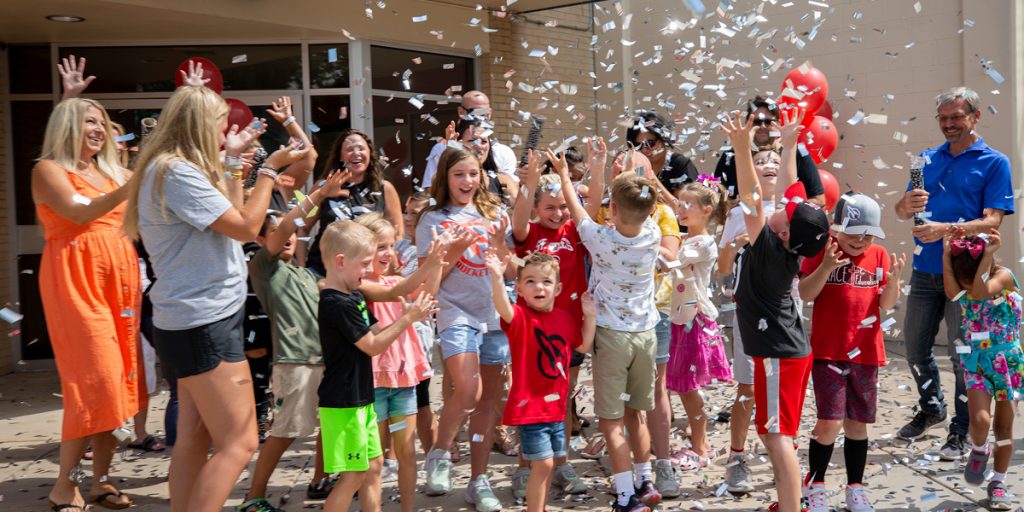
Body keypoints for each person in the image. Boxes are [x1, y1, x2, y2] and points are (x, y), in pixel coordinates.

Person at [124, 82, 310, 512]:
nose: (226, 132)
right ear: (198, 125)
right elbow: (247, 228)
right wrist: (266, 171)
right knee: (241, 441)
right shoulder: (177, 173)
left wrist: (231, 163)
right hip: (203, 321)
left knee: (194, 435)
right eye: (221, 126)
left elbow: (228, 216)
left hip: (189, 319)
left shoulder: (168, 169)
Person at [892, 87, 1015, 460]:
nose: (949, 124)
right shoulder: (926, 160)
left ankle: (961, 430)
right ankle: (932, 408)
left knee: (964, 357)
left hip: (968, 277)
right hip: (925, 270)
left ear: (975, 117)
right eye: (943, 118)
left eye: (956, 117)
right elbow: (903, 213)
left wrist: (945, 229)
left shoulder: (995, 162)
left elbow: (993, 221)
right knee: (914, 349)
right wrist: (903, 204)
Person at [33, 92, 141, 510]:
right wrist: (132, 183)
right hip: (76, 281)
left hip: (119, 281)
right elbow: (79, 214)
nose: (97, 129)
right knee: (94, 379)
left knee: (118, 381)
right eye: (87, 122)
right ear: (66, 128)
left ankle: (100, 481)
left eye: (100, 122)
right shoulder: (47, 170)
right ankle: (65, 484)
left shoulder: (109, 171)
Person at [719, 110, 829, 512]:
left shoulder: (766, 246)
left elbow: (750, 194)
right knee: (780, 430)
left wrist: (741, 147)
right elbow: (786, 191)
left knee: (776, 435)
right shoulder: (786, 242)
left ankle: (791, 506)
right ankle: (790, 501)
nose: (785, 203)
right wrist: (786, 145)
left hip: (779, 355)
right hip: (789, 352)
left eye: (789, 209)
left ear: (785, 231)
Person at [552, 146, 661, 512]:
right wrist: (630, 173)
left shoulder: (601, 239)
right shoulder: (653, 237)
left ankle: (626, 495)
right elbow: (643, 202)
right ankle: (646, 480)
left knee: (611, 421)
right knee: (637, 414)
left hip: (612, 336)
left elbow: (576, 206)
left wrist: (566, 175)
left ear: (611, 209)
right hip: (645, 334)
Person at [236, 170, 346, 512]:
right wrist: (319, 194)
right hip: (293, 362)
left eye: (290, 233)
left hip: (323, 360)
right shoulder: (263, 267)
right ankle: (254, 496)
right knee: (284, 432)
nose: (286, 236)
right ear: (260, 239)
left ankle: (319, 481)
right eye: (275, 232)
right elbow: (288, 226)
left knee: (328, 427)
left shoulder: (304, 273)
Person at [315, 220, 436, 512]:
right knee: (354, 475)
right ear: (341, 261)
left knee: (374, 465)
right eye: (364, 263)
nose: (368, 270)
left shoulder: (352, 295)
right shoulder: (336, 303)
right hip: (344, 403)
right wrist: (408, 319)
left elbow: (377, 332)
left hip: (361, 398)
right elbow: (372, 345)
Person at [419, 147, 514, 512]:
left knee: (488, 402)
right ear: (445, 177)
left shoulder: (494, 213)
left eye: (473, 173)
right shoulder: (432, 219)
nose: (468, 181)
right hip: (455, 312)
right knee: (469, 391)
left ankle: (479, 480)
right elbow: (430, 279)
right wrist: (455, 250)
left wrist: (499, 244)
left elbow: (507, 271)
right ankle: (439, 453)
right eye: (459, 174)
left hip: (492, 315)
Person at [798, 193, 905, 512]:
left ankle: (855, 488)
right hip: (829, 352)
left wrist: (895, 282)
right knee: (829, 423)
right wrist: (828, 265)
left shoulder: (880, 254)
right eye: (853, 233)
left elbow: (885, 304)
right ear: (835, 228)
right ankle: (815, 485)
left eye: (867, 234)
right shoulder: (824, 250)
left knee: (857, 424)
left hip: (867, 354)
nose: (860, 240)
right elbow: (804, 294)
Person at [507, 149, 594, 499]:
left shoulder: (576, 229)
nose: (557, 214)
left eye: (562, 207)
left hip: (568, 329)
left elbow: (593, 199)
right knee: (530, 396)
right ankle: (524, 466)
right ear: (536, 209)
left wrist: (574, 177)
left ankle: (561, 462)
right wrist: (529, 181)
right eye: (549, 208)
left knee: (564, 398)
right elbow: (517, 221)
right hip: (530, 333)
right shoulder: (528, 234)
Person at [486, 251, 596, 512]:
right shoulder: (520, 317)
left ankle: (539, 507)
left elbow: (584, 343)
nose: (539, 287)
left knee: (547, 466)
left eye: (546, 282)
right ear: (521, 289)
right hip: (530, 408)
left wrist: (590, 314)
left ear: (557, 288)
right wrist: (495, 277)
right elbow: (502, 305)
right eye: (531, 281)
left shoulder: (565, 318)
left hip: (557, 410)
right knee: (543, 464)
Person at [354, 212, 448, 512]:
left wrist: (435, 264)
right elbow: (399, 292)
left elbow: (426, 293)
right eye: (380, 246)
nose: (388, 253)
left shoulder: (395, 279)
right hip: (373, 382)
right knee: (375, 458)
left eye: (391, 246)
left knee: (407, 452)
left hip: (403, 381)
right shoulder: (359, 286)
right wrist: (429, 266)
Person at [716, 145, 785, 494]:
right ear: (749, 172)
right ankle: (737, 458)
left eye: (775, 160)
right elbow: (723, 269)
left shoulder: (794, 210)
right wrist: (735, 244)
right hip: (749, 315)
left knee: (783, 393)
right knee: (747, 389)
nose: (769, 165)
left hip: (786, 317)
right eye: (760, 161)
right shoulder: (737, 215)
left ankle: (783, 456)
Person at [942, 227, 1021, 510]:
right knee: (980, 421)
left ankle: (998, 482)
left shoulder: (1004, 276)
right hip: (976, 362)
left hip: (1007, 364)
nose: (965, 290)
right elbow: (955, 291)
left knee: (1003, 427)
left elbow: (979, 290)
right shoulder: (966, 288)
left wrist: (987, 255)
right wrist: (945, 254)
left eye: (968, 279)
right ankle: (978, 448)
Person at [665, 178, 732, 469]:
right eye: (680, 203)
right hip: (682, 318)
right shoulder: (689, 237)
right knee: (683, 387)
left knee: (689, 388)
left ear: (707, 210)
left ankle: (700, 446)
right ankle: (698, 441)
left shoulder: (702, 242)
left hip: (694, 320)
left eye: (688, 204)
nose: (681, 208)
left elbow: (670, 260)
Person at [301, 129, 403, 277]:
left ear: (370, 154)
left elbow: (397, 235)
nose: (356, 153)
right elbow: (302, 227)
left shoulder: (385, 189)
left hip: (366, 276)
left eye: (361, 148)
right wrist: (302, 266)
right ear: (341, 157)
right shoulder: (323, 187)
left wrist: (390, 272)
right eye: (349, 149)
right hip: (323, 274)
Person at [712, 96, 825, 205]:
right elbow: (716, 198)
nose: (762, 126)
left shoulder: (796, 152)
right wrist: (741, 209)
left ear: (778, 124)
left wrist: (788, 210)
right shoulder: (733, 154)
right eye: (756, 121)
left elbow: (819, 200)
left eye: (768, 122)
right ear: (747, 123)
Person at [422, 90, 517, 187]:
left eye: (484, 114)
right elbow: (429, 190)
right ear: (461, 112)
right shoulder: (441, 150)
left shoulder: (504, 152)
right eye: (475, 113)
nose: (480, 119)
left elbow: (512, 192)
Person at [626, 110, 700, 203]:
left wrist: (653, 180)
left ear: (663, 138)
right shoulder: (634, 167)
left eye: (650, 143)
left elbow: (685, 208)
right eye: (638, 145)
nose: (644, 149)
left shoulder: (679, 164)